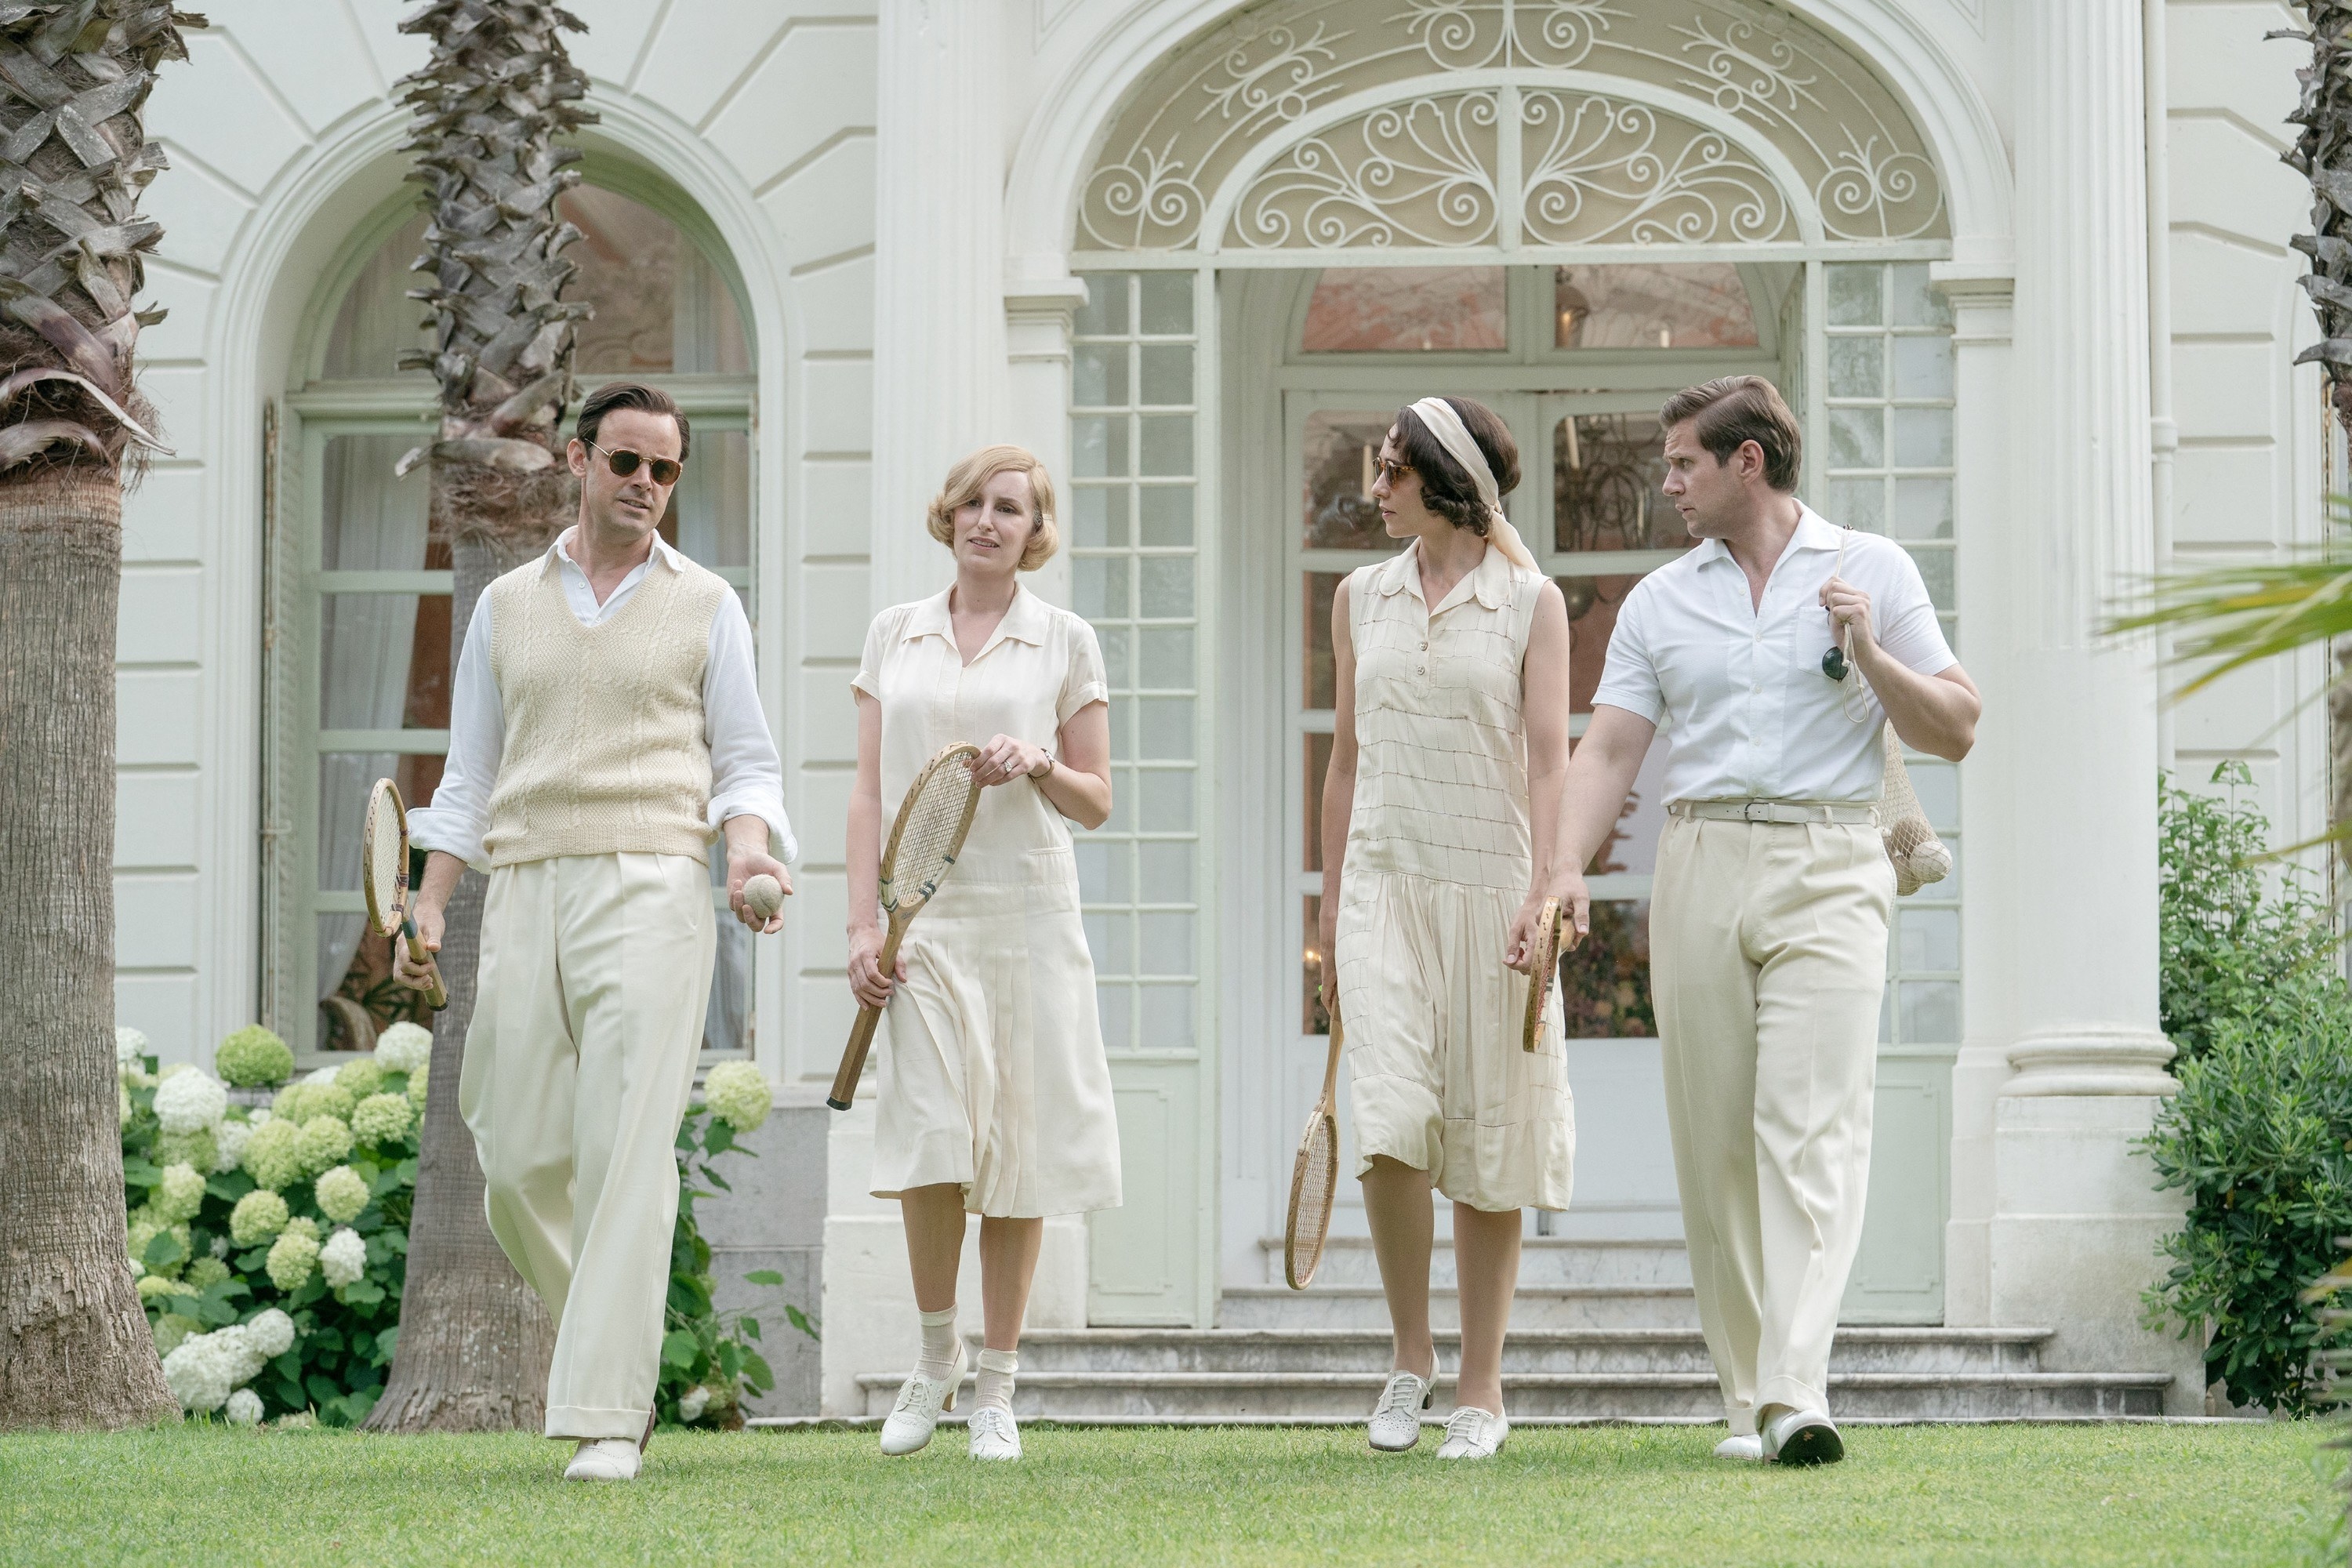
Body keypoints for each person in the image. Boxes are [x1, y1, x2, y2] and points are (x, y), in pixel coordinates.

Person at [1556, 376, 1980, 1465]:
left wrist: (1872, 653)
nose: (1669, 483)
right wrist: (1558, 871)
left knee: (1812, 1126)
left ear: (1749, 462)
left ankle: (1798, 1386)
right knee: (1717, 1143)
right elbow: (1608, 751)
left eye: (1685, 463)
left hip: (1833, 858)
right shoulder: (1660, 600)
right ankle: (1750, 1396)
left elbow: (1959, 726)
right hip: (1699, 859)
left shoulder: (1871, 568)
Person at [395, 380, 796, 1483]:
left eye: (665, 472)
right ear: (576, 460)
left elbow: (745, 757)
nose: (647, 487)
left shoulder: (708, 601)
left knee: (628, 1146)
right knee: (514, 1154)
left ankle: (606, 1418)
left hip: (655, 882)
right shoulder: (505, 607)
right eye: (628, 463)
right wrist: (431, 898)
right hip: (522, 883)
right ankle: (616, 1350)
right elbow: (469, 773)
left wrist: (749, 852)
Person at [848, 444, 1120, 1462]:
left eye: (1010, 508)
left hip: (1029, 921)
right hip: (923, 926)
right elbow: (869, 794)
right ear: (948, 516)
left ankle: (996, 1387)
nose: (987, 521)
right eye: (972, 503)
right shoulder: (894, 635)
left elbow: (1097, 798)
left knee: (1018, 1151)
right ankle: (933, 1362)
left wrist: (1042, 761)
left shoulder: (1064, 641)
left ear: (1034, 531)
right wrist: (861, 927)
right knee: (930, 1145)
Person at [1319, 396, 1576, 1461]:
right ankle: (1409, 1360)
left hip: (1492, 892)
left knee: (1487, 1137)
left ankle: (1481, 1386)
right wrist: (1330, 916)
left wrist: (1547, 896)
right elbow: (1342, 762)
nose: (1374, 490)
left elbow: (1552, 759)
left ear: (1443, 479)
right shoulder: (1355, 597)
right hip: (1382, 889)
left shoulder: (1532, 603)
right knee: (1387, 1126)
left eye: (1391, 472)